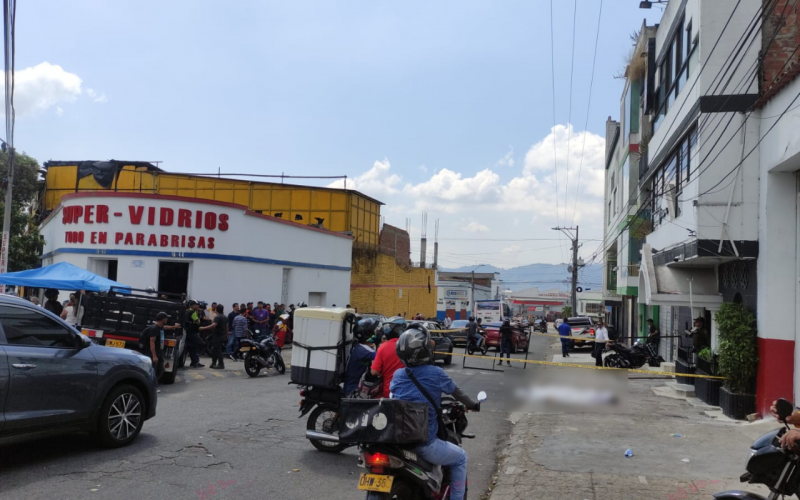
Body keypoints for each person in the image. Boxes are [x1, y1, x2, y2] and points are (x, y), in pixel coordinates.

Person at [390, 325, 480, 500]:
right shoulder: (436, 373)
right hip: (423, 443)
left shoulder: (398, 375)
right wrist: (472, 404)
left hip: (396, 440)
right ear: (425, 351)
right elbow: (457, 393)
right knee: (460, 457)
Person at [370, 316, 407, 398]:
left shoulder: (383, 347)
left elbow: (374, 372)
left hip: (389, 391)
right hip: (408, 391)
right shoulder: (410, 345)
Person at [142, 312, 181, 381]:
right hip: (153, 353)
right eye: (166, 319)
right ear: (163, 319)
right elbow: (152, 342)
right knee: (154, 370)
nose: (167, 320)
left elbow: (166, 327)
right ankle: (150, 384)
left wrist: (174, 327)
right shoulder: (154, 329)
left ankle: (154, 383)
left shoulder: (160, 327)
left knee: (161, 369)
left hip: (159, 352)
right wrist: (154, 356)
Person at [343, 318, 378, 395]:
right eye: (373, 331)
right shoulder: (362, 349)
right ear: (367, 333)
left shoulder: (359, 347)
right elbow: (381, 356)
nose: (375, 333)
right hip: (353, 391)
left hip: (356, 388)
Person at [201, 304, 228, 369]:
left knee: (218, 350)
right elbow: (227, 327)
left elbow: (213, 325)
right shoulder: (225, 317)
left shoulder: (218, 317)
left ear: (216, 310)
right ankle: (214, 363)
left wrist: (203, 328)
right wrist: (226, 335)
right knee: (215, 350)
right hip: (222, 335)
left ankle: (221, 364)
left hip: (218, 336)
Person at [185, 300, 204, 368]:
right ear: (192, 305)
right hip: (192, 332)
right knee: (201, 343)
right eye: (196, 305)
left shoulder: (187, 311)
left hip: (188, 332)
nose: (197, 306)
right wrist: (198, 314)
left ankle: (195, 362)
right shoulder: (193, 312)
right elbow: (198, 322)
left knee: (192, 347)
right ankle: (195, 362)